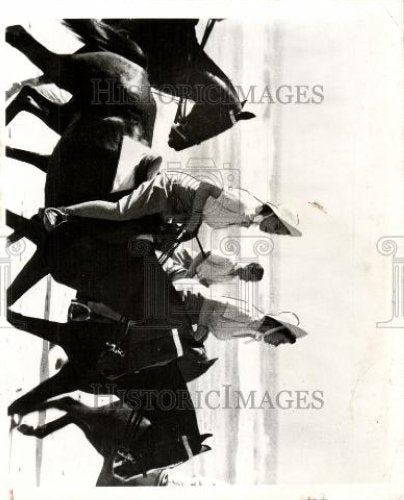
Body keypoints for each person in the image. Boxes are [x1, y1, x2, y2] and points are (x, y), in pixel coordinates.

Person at [42, 171, 301, 238]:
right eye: (276, 228)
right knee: (120, 213)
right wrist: (194, 219)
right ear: (272, 215)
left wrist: (189, 223)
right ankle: (61, 212)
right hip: (170, 190)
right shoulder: (245, 206)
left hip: (177, 206)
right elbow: (207, 186)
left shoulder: (248, 219)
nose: (272, 232)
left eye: (277, 233)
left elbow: (207, 211)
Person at [176, 282, 308, 345]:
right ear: (275, 327)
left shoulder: (252, 330)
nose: (276, 344)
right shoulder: (249, 315)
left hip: (186, 314)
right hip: (185, 300)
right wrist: (202, 327)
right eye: (281, 340)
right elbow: (211, 300)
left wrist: (201, 332)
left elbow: (215, 320)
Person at [161, 247, 264, 286]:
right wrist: (191, 272)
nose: (246, 281)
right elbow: (204, 253)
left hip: (184, 273)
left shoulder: (230, 279)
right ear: (249, 268)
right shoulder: (229, 261)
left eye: (250, 280)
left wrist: (203, 285)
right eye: (249, 278)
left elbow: (206, 281)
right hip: (183, 259)